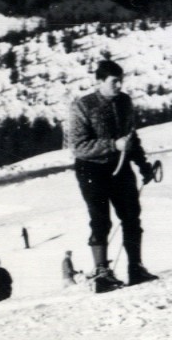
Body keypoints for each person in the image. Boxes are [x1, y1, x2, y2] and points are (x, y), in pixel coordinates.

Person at [65, 57, 156, 291]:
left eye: (120, 81)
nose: (119, 86)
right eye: (114, 81)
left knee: (131, 217)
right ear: (99, 82)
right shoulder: (82, 106)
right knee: (100, 220)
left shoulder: (124, 102)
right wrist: (113, 145)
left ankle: (136, 268)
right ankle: (102, 274)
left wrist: (143, 165)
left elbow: (131, 138)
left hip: (121, 167)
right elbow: (78, 147)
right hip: (91, 170)